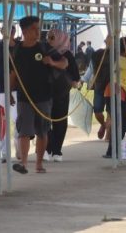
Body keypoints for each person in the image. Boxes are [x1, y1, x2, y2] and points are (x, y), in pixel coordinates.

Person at [10, 16, 66, 174]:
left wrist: (52, 62)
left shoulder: (45, 48)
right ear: (25, 31)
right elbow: (13, 72)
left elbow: (65, 63)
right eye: (35, 28)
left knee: (42, 131)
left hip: (44, 96)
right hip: (24, 97)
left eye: (38, 28)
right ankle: (24, 164)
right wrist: (9, 91)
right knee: (24, 131)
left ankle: (39, 163)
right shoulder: (17, 50)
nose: (38, 31)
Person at [44, 27, 79, 162]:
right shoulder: (44, 52)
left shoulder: (67, 54)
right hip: (46, 93)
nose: (49, 40)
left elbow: (75, 75)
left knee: (60, 121)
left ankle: (57, 150)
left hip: (62, 93)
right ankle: (47, 148)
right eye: (48, 37)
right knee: (45, 121)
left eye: (52, 37)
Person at [0, 25, 20, 162]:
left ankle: (20, 149)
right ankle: (4, 153)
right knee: (2, 122)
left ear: (14, 32)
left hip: (19, 90)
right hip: (1, 89)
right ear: (1, 32)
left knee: (19, 122)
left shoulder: (21, 46)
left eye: (11, 30)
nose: (8, 33)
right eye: (5, 30)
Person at [81, 38, 111, 139]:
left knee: (111, 111)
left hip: (112, 86)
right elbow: (91, 68)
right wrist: (83, 80)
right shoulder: (97, 54)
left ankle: (108, 134)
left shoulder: (117, 54)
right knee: (97, 111)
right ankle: (103, 124)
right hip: (99, 86)